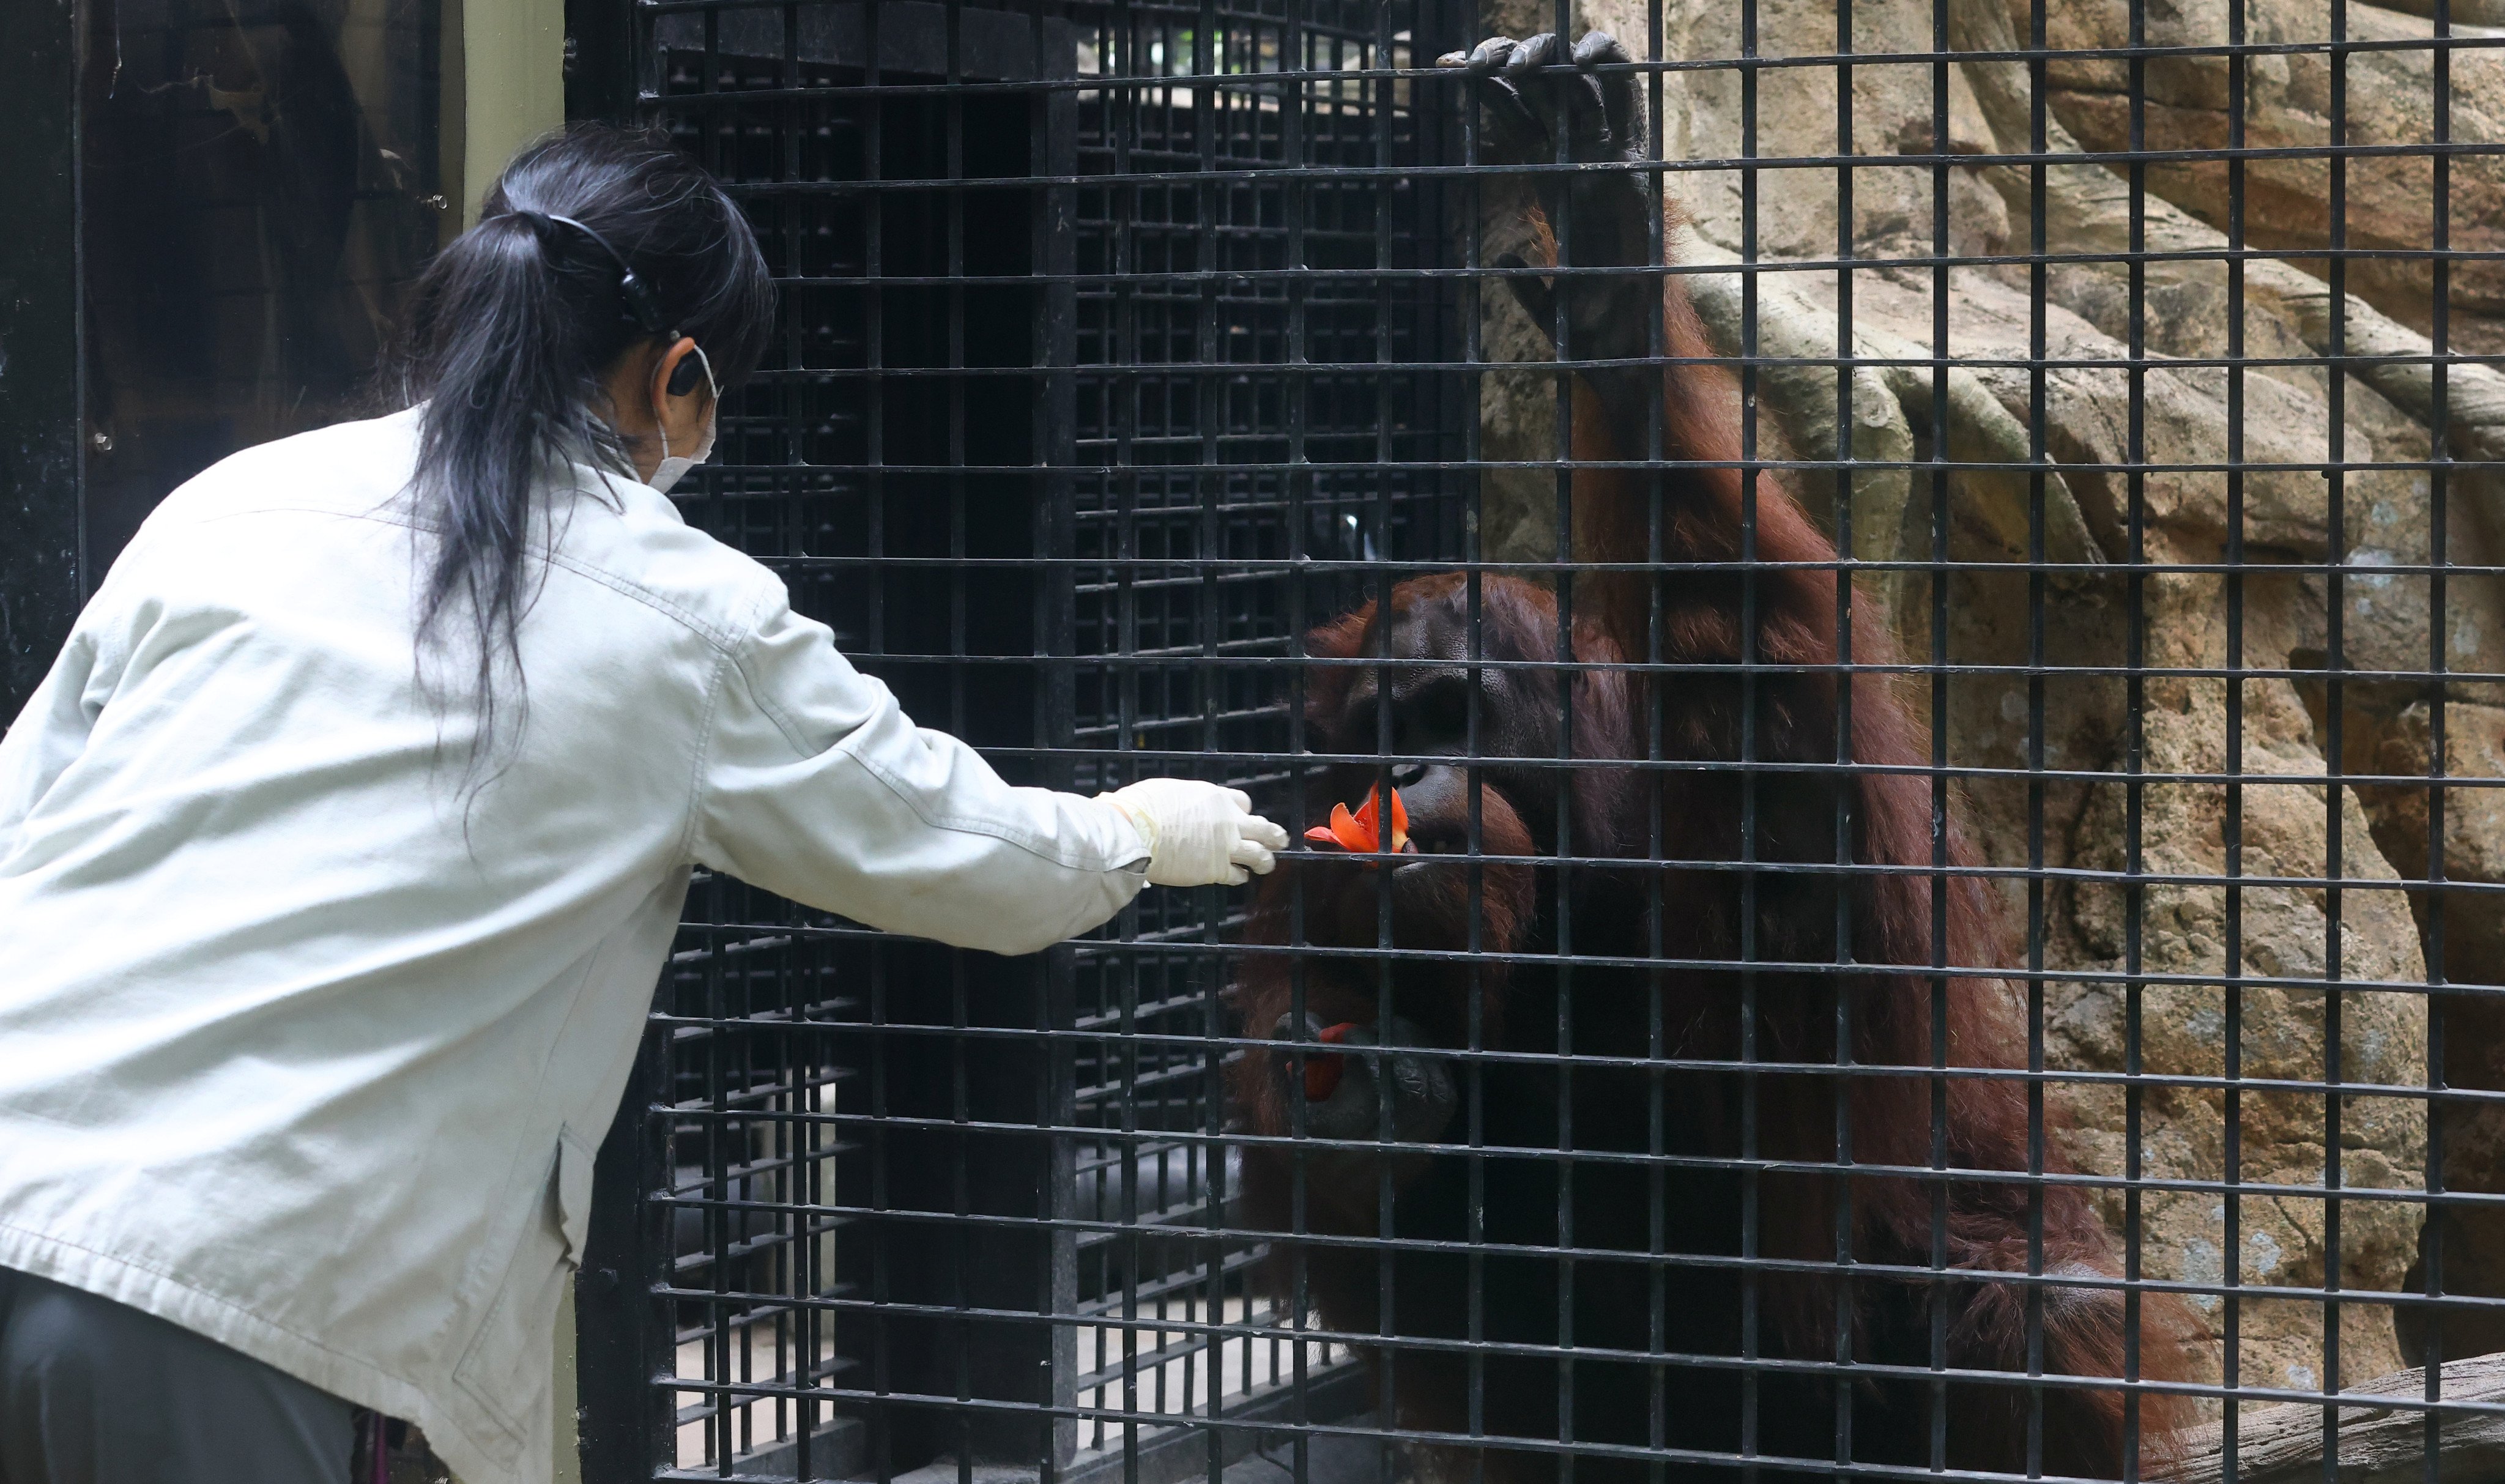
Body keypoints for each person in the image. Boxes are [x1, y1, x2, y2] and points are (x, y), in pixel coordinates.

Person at [0, 128, 1286, 1484]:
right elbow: (951, 848)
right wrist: (1136, 832)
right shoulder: (683, 614)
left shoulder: (234, 502)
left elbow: (24, 817)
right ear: (676, 379)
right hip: (239, 1298)